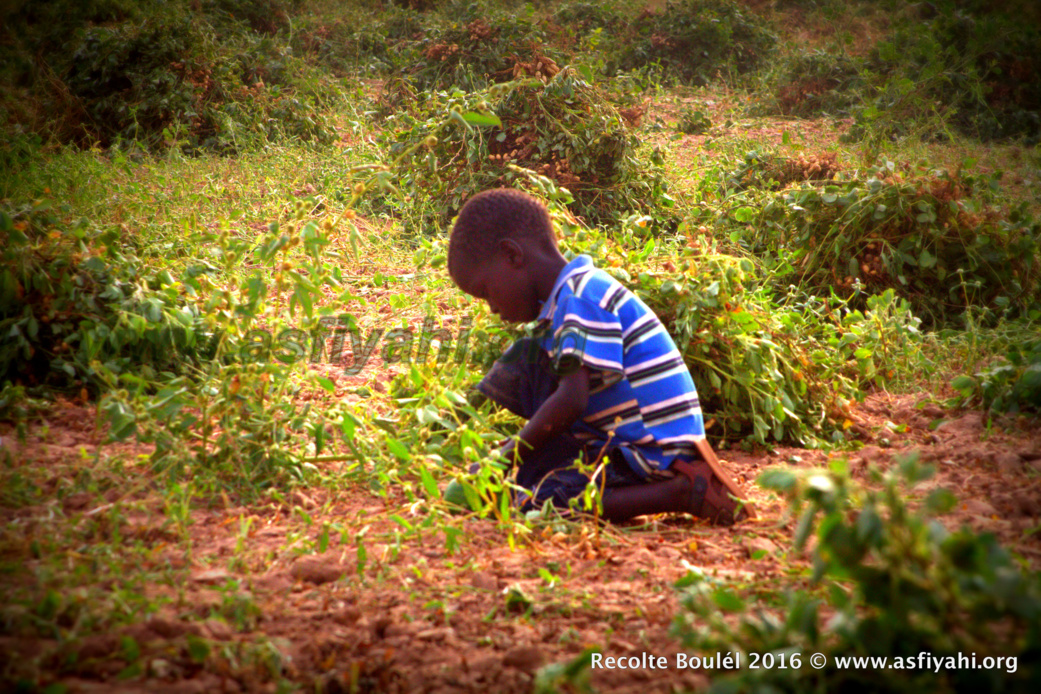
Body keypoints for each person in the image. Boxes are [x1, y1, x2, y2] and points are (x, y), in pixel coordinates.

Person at [447, 188, 752, 525]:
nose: (491, 307)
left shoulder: (580, 297)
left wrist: (506, 457)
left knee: (543, 503)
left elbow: (572, 400)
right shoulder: (566, 299)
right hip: (623, 441)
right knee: (526, 358)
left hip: (654, 451)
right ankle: (551, 470)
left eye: (486, 292)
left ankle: (683, 491)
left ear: (511, 254)